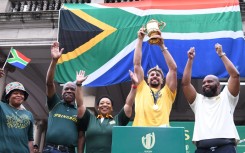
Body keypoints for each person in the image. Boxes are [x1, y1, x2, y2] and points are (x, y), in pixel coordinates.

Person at [182, 43, 240, 153]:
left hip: (225, 148)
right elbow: (185, 84)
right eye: (203, 83)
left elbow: (235, 75)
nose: (205, 84)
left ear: (218, 85)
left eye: (210, 81)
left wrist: (221, 54)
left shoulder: (227, 97)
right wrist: (190, 60)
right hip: (202, 149)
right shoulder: (197, 101)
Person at [76, 69, 138, 153]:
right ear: (98, 107)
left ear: (112, 108)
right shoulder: (90, 119)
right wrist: (78, 84)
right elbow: (80, 105)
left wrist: (134, 87)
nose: (104, 105)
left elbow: (128, 105)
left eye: (108, 103)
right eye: (102, 103)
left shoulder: (118, 120)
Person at [43, 42, 84, 153]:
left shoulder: (79, 111)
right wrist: (54, 60)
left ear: (76, 93)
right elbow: (49, 83)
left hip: (69, 150)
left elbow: (81, 136)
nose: (69, 91)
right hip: (50, 149)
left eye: (72, 89)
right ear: (62, 92)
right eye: (66, 89)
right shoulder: (55, 103)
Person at [132, 28, 177, 126]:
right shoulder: (141, 87)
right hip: (140, 132)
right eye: (152, 75)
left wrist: (162, 45)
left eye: (158, 75)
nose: (155, 76)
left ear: (162, 80)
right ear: (147, 79)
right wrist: (140, 39)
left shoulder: (168, 92)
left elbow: (173, 69)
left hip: (162, 134)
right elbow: (137, 64)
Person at [0, 81, 34, 153]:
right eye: (15, 93)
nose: (19, 95)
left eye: (22, 94)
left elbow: (30, 139)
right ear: (8, 96)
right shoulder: (2, 106)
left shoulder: (29, 114)